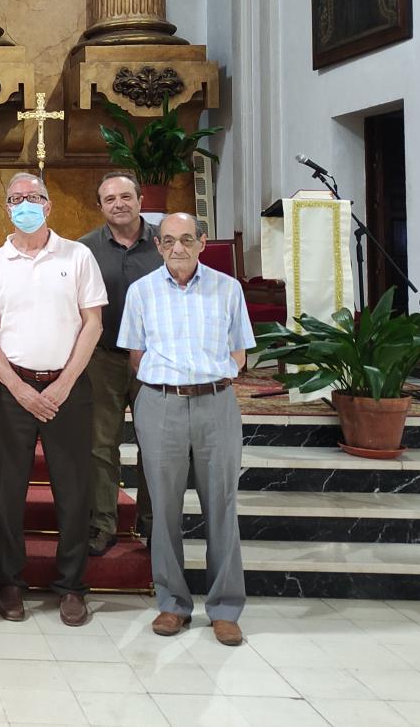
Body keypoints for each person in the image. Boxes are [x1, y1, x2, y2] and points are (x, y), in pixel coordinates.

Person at [0, 173, 105, 626]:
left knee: (73, 489)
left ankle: (72, 585)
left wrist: (64, 384)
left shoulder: (78, 256)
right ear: (6, 208)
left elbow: (93, 324)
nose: (25, 204)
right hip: (13, 390)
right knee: (7, 490)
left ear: (48, 206)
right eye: (16, 199)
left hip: (68, 388)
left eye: (33, 197)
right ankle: (9, 582)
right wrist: (20, 388)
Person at [118, 212, 255, 647]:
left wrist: (207, 379)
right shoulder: (141, 292)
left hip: (216, 403)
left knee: (222, 506)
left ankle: (225, 608)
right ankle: (172, 604)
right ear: (157, 245)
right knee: (164, 509)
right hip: (161, 404)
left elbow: (239, 353)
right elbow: (136, 356)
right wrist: (171, 384)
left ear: (202, 241)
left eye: (186, 240)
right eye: (168, 241)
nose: (177, 248)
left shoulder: (227, 288)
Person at [78, 173, 162, 555]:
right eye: (109, 199)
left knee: (156, 444)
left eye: (125, 196)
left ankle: (152, 524)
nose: (118, 204)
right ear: (99, 206)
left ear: (140, 199)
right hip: (104, 357)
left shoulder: (166, 243)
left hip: (157, 359)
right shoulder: (84, 250)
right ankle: (102, 524)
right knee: (99, 444)